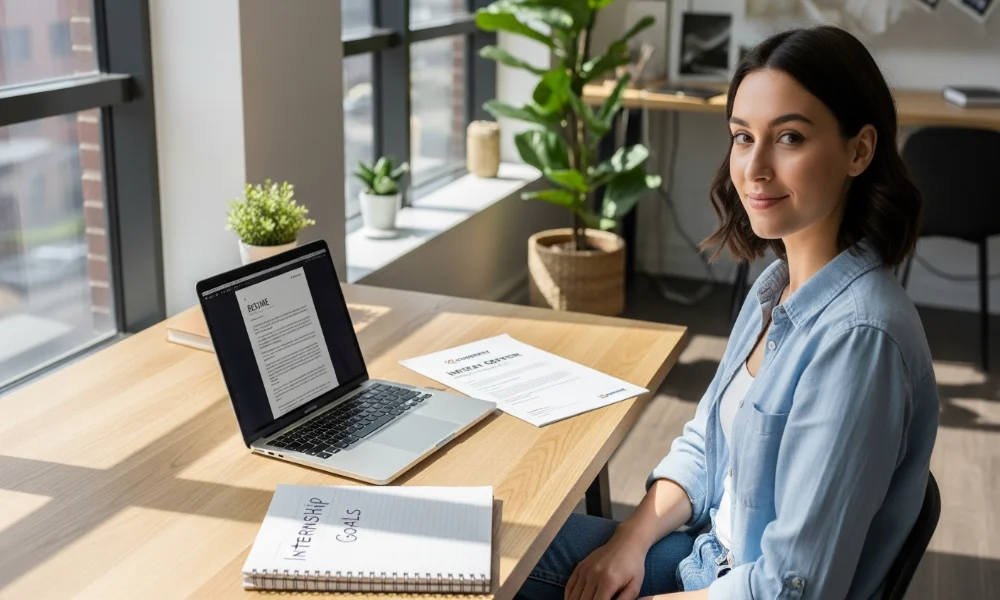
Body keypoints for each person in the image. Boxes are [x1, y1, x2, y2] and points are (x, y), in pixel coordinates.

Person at [516, 25, 939, 600]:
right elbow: (706, 444)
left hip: (740, 588)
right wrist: (629, 541)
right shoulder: (776, 286)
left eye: (788, 137)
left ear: (858, 150)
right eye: (743, 137)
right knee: (493, 547)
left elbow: (792, 589)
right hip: (707, 562)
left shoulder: (859, 340)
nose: (754, 168)